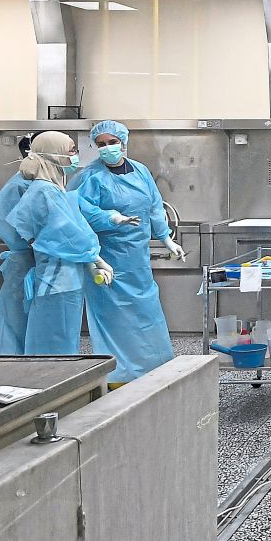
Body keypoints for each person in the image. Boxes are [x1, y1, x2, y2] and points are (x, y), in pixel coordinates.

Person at [71, 120, 183, 385]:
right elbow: (78, 210)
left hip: (137, 257)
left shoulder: (140, 171)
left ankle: (155, 367)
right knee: (115, 317)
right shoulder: (91, 176)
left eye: (112, 142)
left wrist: (165, 238)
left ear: (123, 142)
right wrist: (112, 218)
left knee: (146, 310)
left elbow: (154, 206)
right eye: (101, 144)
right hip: (108, 258)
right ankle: (119, 374)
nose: (107, 148)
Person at [5, 131, 114, 354]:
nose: (75, 155)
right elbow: (67, 235)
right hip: (57, 281)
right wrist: (95, 257)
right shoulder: (45, 191)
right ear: (54, 154)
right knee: (53, 347)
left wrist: (91, 260)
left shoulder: (53, 189)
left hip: (63, 279)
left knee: (61, 341)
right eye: (71, 150)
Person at [0, 134, 39, 355]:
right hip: (25, 262)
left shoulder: (38, 184)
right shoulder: (23, 184)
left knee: (26, 323)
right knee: (15, 322)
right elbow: (18, 228)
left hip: (32, 262)